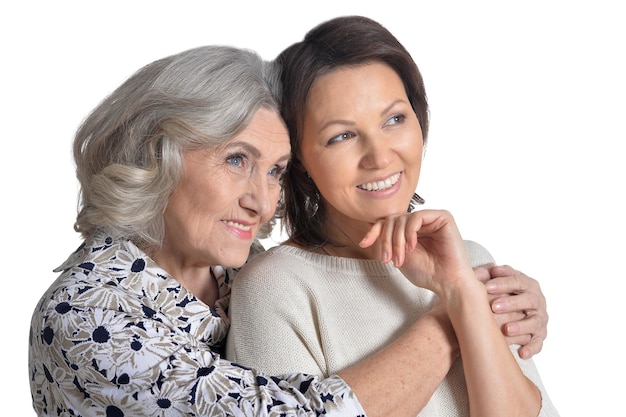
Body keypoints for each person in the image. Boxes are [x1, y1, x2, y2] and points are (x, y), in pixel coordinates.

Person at [27, 44, 549, 417]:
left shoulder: (231, 268)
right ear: (153, 156)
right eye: (236, 159)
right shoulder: (89, 316)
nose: (260, 200)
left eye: (276, 169)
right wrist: (458, 310)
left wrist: (498, 302)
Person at [226, 16, 559, 417]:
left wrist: (459, 288)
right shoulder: (274, 288)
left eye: (394, 119)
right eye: (341, 136)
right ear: (300, 160)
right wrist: (452, 313)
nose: (380, 157)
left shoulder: (468, 260)